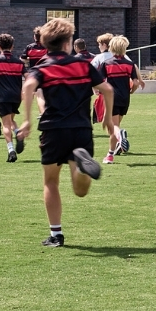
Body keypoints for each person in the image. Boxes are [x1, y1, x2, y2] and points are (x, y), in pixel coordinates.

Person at [17, 17, 110, 246]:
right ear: (68, 43)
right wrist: (108, 119)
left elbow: (27, 87)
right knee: (80, 191)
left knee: (50, 181)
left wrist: (27, 120)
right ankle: (81, 168)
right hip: (81, 129)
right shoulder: (83, 65)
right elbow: (107, 89)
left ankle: (56, 235)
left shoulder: (42, 68)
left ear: (45, 44)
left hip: (53, 130)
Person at [101, 36, 142, 162]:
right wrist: (131, 91)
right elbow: (136, 82)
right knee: (116, 125)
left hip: (112, 98)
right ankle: (111, 154)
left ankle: (120, 137)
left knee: (114, 127)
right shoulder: (130, 64)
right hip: (125, 98)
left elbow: (100, 82)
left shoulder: (107, 64)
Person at [0, 34, 29, 162]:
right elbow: (28, 77)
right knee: (11, 120)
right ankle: (18, 133)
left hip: (4, 96)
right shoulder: (19, 62)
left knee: (5, 124)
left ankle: (11, 151)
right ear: (12, 46)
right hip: (16, 96)